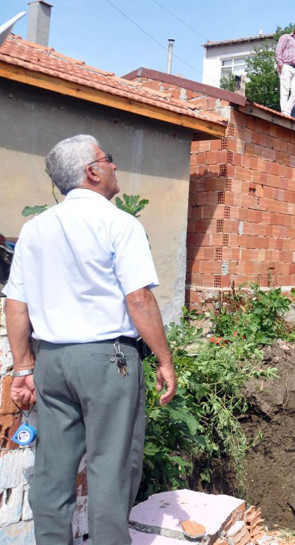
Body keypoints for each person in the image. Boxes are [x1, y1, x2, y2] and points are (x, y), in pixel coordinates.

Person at [3, 134, 177, 545]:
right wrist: (164, 360)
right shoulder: (119, 223)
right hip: (108, 361)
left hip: (52, 363)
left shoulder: (35, 229)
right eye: (109, 160)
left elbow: (15, 304)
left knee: (52, 469)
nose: (115, 167)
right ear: (93, 171)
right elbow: (138, 297)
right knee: (111, 470)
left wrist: (24, 366)